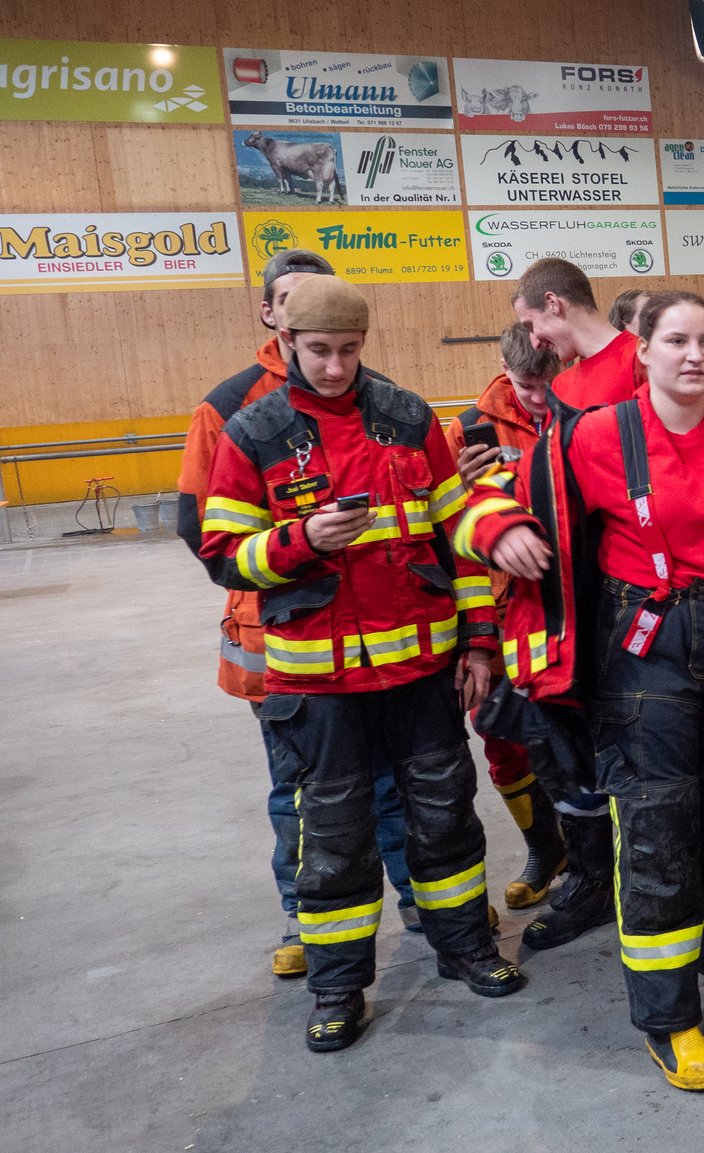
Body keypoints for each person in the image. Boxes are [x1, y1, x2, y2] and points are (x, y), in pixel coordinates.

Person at [473, 291, 704, 1090]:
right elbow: (493, 498)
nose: (695, 355)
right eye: (677, 341)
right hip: (643, 651)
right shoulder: (593, 435)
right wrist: (499, 529)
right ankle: (669, 1017)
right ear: (642, 351)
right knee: (657, 828)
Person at [197, 275, 522, 1053]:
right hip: (319, 685)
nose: (335, 366)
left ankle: (464, 947)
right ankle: (339, 986)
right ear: (285, 341)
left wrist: (479, 639)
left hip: (420, 671)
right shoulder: (253, 433)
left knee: (445, 818)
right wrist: (301, 541)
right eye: (318, 350)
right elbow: (222, 553)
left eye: (349, 350)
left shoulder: (408, 417)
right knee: (335, 839)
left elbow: (458, 536)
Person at [177, 248, 419, 978]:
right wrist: (298, 549)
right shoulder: (231, 410)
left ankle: (419, 900)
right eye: (291, 302)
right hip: (279, 636)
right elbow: (204, 530)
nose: (332, 357)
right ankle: (303, 919)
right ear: (273, 316)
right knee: (304, 792)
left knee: (394, 781)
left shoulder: (383, 400)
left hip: (382, 640)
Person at [444, 326, 570, 911]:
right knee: (500, 737)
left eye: (550, 384)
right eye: (527, 386)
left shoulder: (586, 410)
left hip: (568, 603)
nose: (540, 399)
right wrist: (462, 487)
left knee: (574, 735)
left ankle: (592, 856)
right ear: (503, 368)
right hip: (498, 613)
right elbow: (448, 530)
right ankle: (545, 849)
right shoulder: (469, 428)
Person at [515, 258, 637, 410]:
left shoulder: (643, 361)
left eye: (531, 325)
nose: (535, 344)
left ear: (553, 303)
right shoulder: (560, 386)